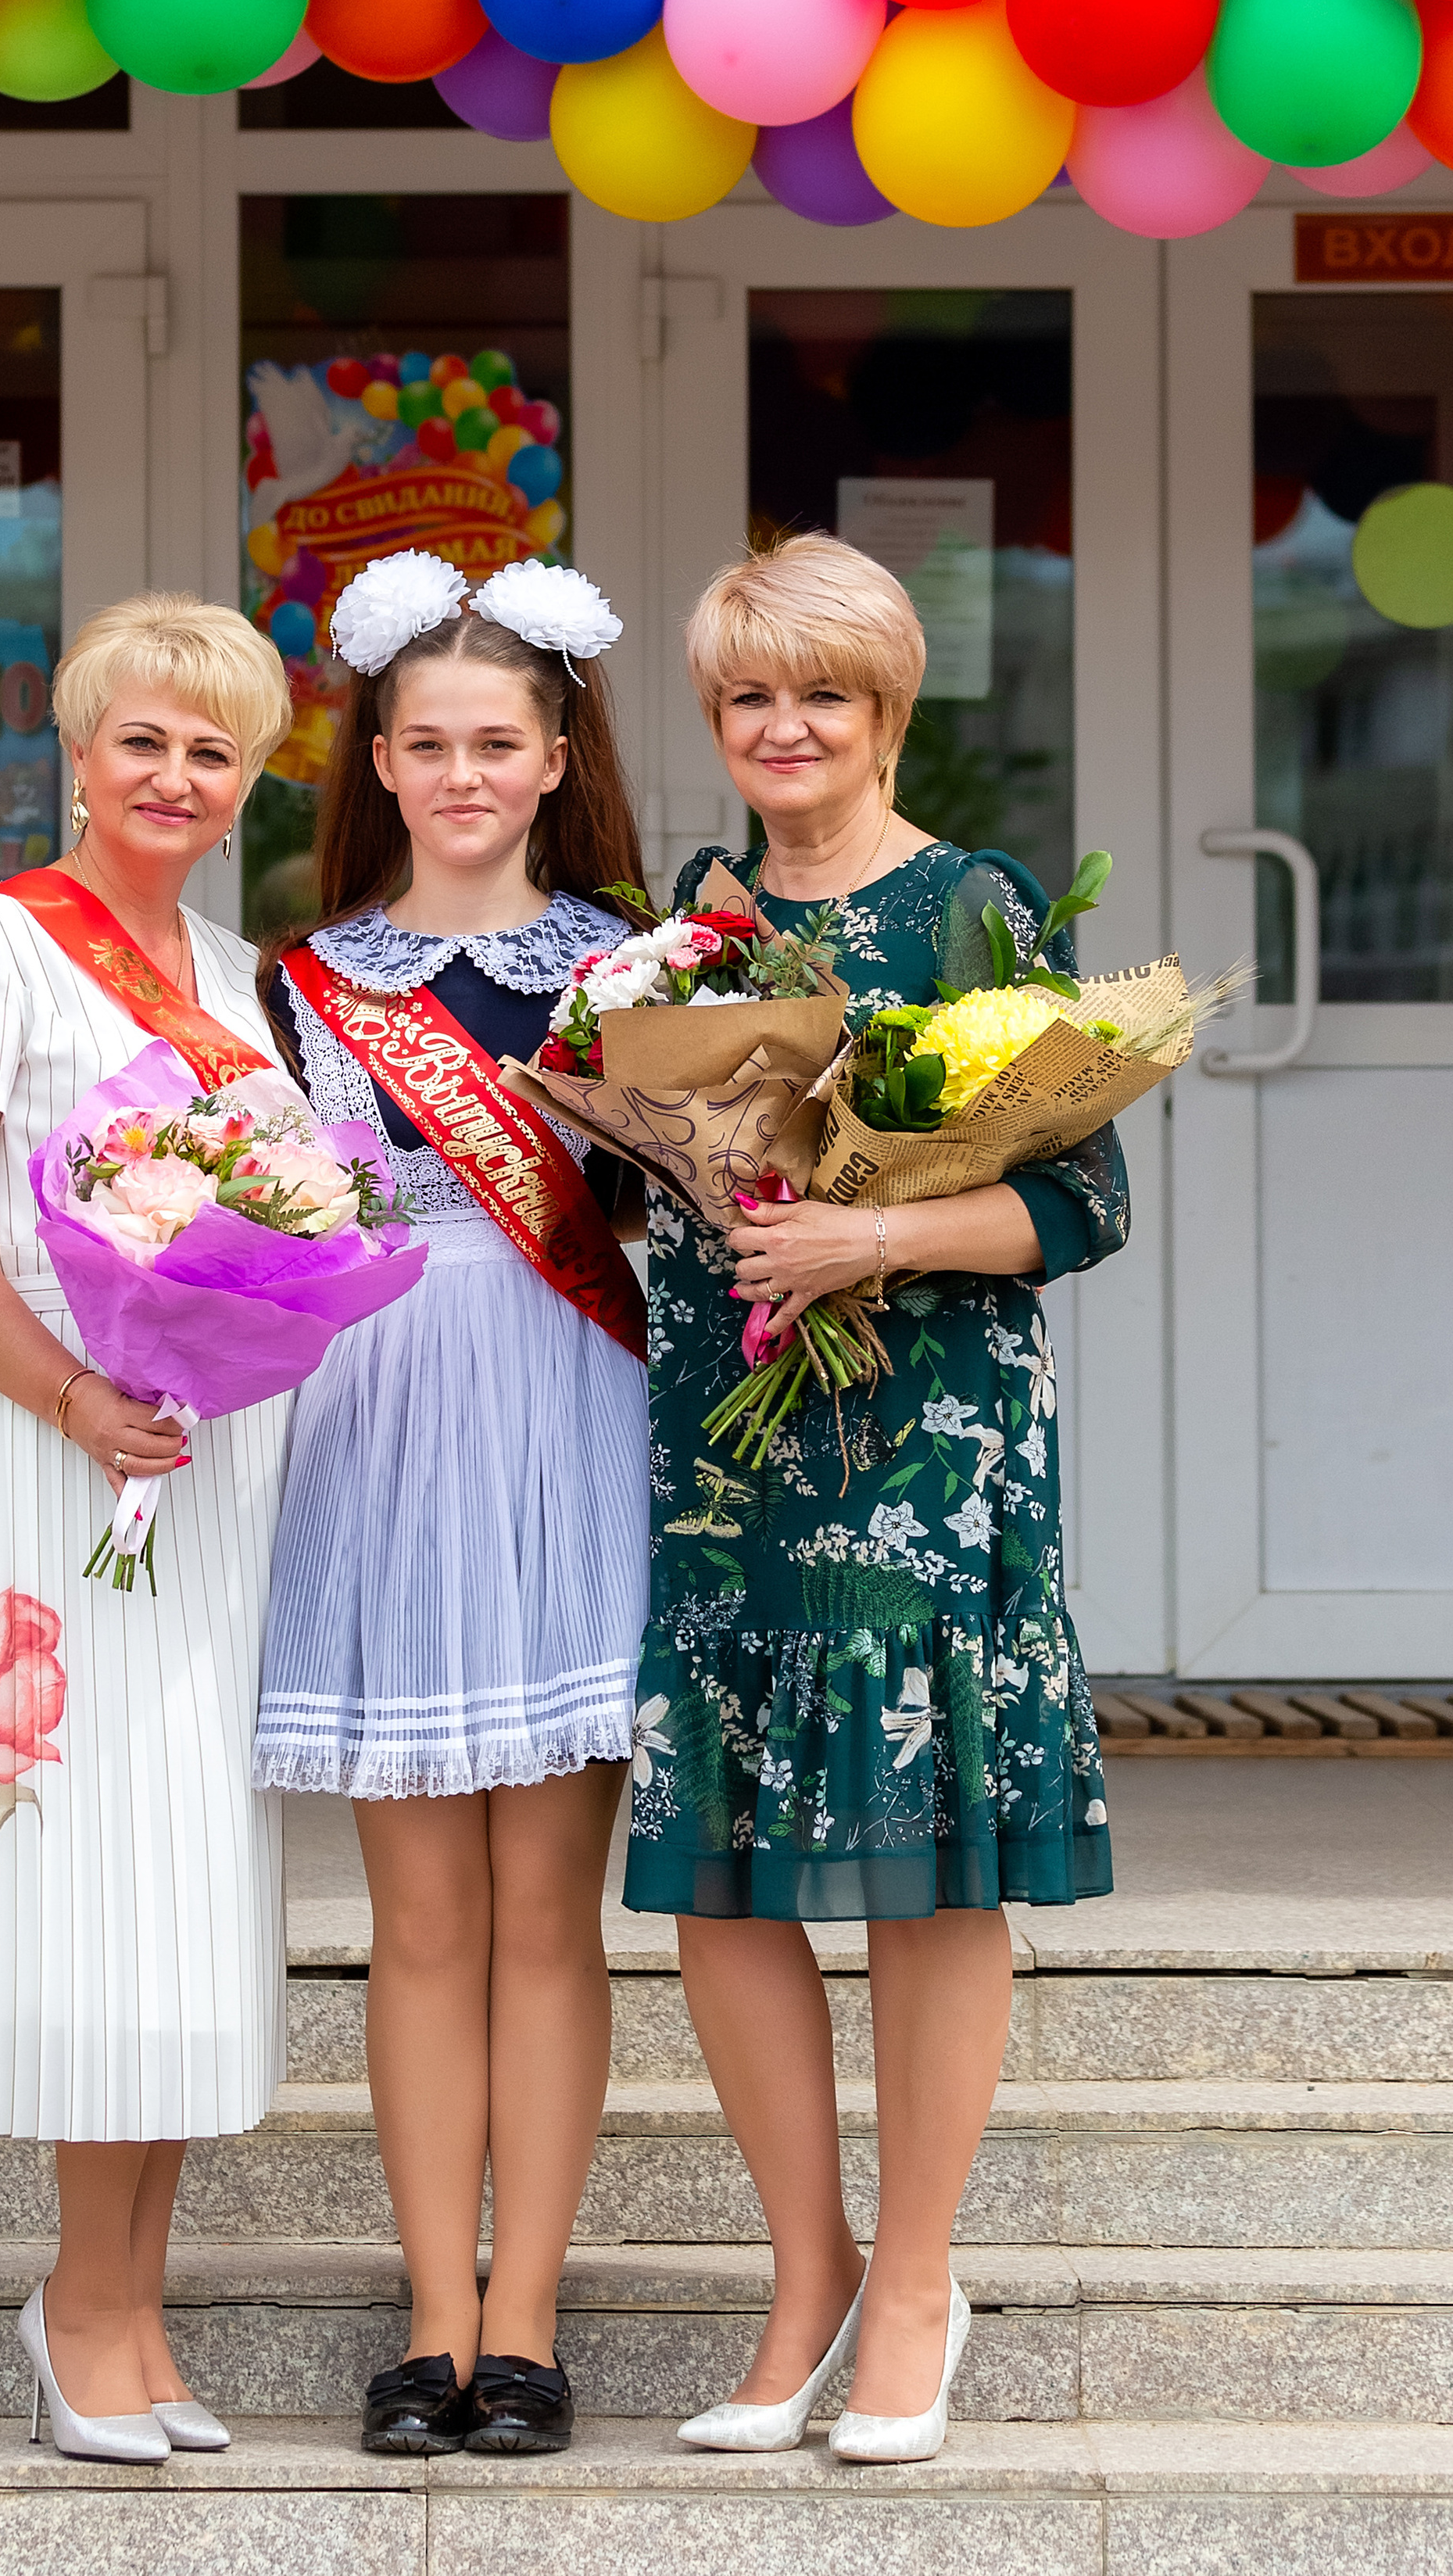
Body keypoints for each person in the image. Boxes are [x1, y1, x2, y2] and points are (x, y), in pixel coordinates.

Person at [624, 535, 1123, 2467]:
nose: (781, 728)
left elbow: (1077, 1205)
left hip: (924, 1454)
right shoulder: (695, 911)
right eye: (747, 697)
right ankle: (805, 2274)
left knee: (928, 1874)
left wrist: (872, 1232)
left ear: (886, 710)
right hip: (730, 1437)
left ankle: (916, 2280)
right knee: (728, 1881)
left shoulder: (974, 909)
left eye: (819, 694)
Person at [0, 593, 295, 2469]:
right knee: (90, 1869)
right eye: (144, 739)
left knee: (189, 1877)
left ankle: (128, 2303)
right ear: (78, 747)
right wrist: (66, 1393)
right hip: (67, 1456)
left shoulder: (233, 965)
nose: (175, 776)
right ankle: (86, 2305)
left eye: (213, 751)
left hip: (211, 1459)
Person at [254, 551, 651, 2460]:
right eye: (429, 744)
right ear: (382, 763)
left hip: (572, 1410)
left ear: (558, 751)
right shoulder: (301, 979)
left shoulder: (640, 969)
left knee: (546, 1914)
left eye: (500, 740)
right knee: (415, 1921)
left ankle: (528, 2316)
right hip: (382, 1420)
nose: (465, 772)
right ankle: (427, 2321)